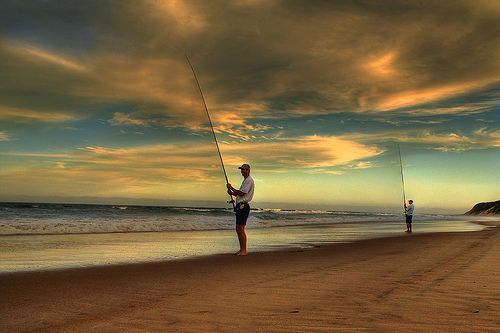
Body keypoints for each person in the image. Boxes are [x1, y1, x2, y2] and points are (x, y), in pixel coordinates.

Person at [226, 164, 254, 256]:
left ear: (248, 170)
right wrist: (232, 193)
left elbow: (242, 193)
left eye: (243, 170)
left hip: (243, 207)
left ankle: (244, 250)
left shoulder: (249, 181)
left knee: (241, 229)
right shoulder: (245, 181)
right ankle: (241, 249)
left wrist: (232, 188)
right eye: (241, 170)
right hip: (240, 206)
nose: (242, 171)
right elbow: (240, 194)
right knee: (238, 228)